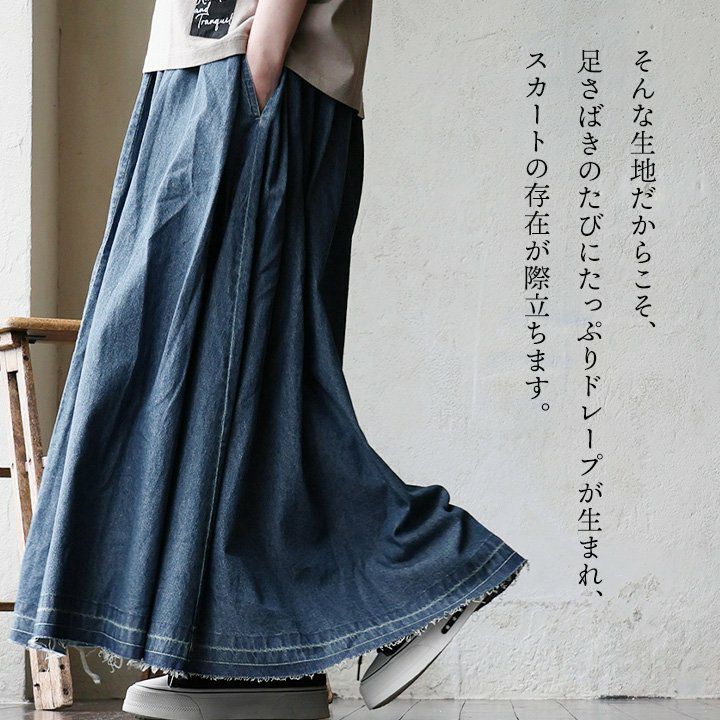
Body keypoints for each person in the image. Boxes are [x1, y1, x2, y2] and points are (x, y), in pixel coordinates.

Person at [9, 1, 528, 718]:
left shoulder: (256, 75)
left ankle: (429, 565)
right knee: (221, 381)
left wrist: (260, 70)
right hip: (207, 75)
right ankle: (225, 647)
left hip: (247, 75)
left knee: (244, 374)